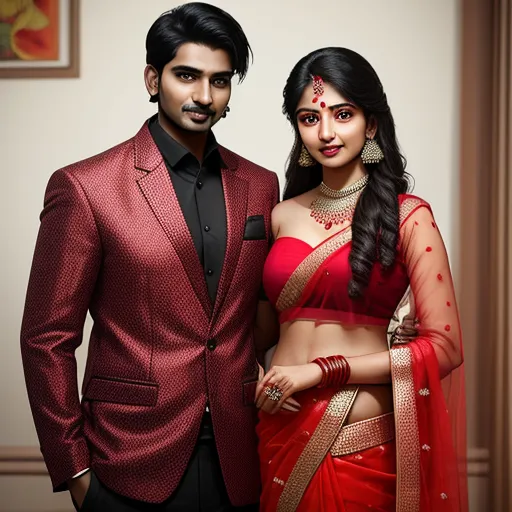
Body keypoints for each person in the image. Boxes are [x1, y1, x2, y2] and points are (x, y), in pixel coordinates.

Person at [20, 3, 279, 511]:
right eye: (187, 76)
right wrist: (75, 472)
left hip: (242, 456)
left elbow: (268, 311)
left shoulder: (261, 185)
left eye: (220, 81)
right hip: (129, 460)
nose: (205, 96)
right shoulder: (86, 187)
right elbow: (45, 339)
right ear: (152, 79)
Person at [255, 47, 468, 511]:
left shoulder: (408, 216)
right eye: (309, 118)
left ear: (371, 124)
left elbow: (447, 347)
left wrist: (321, 371)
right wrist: (255, 378)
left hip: (359, 439)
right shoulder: (280, 214)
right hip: (279, 429)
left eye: (343, 114)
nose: (326, 133)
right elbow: (255, 332)